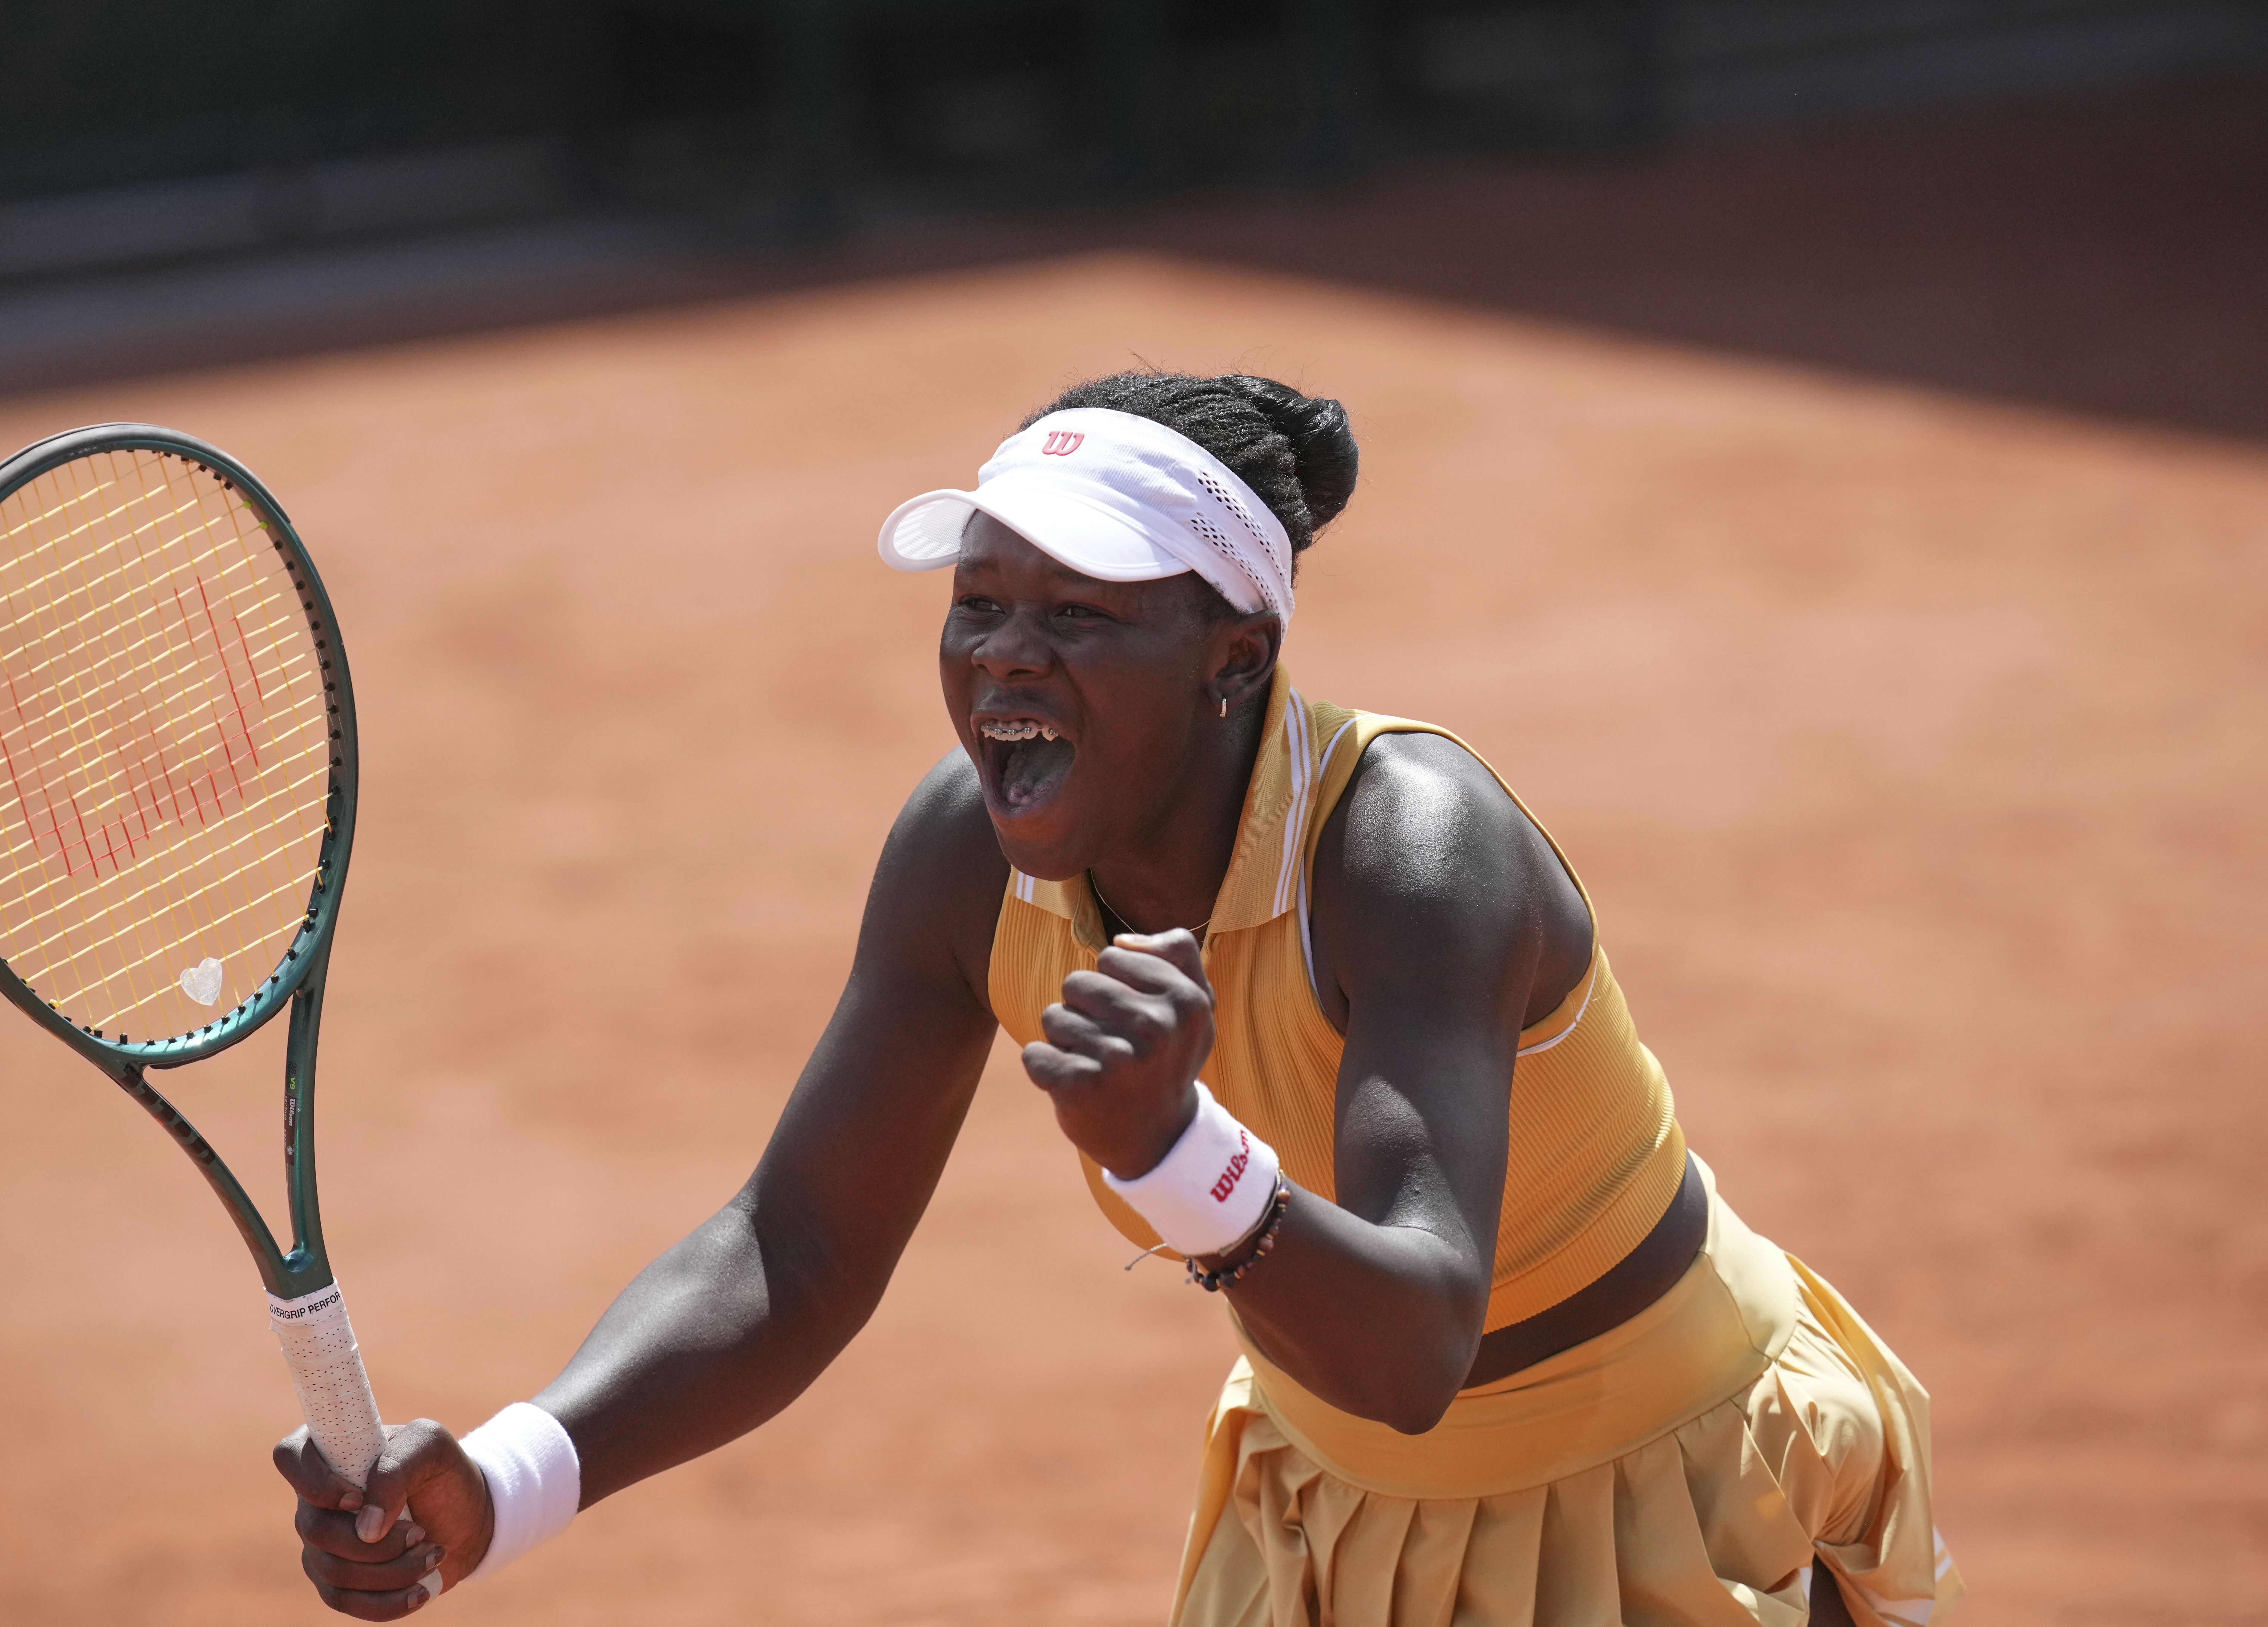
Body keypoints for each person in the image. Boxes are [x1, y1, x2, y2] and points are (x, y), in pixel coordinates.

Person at [276, 371, 1962, 1626]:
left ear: (1236, 657)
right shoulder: (963, 855)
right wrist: (505, 1481)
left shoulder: (1411, 848)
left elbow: (1415, 1345)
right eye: (977, 604)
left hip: (1658, 1502)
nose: (1003, 654)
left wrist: (1175, 1156)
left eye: (1077, 614)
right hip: (1330, 1520)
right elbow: (799, 1248)